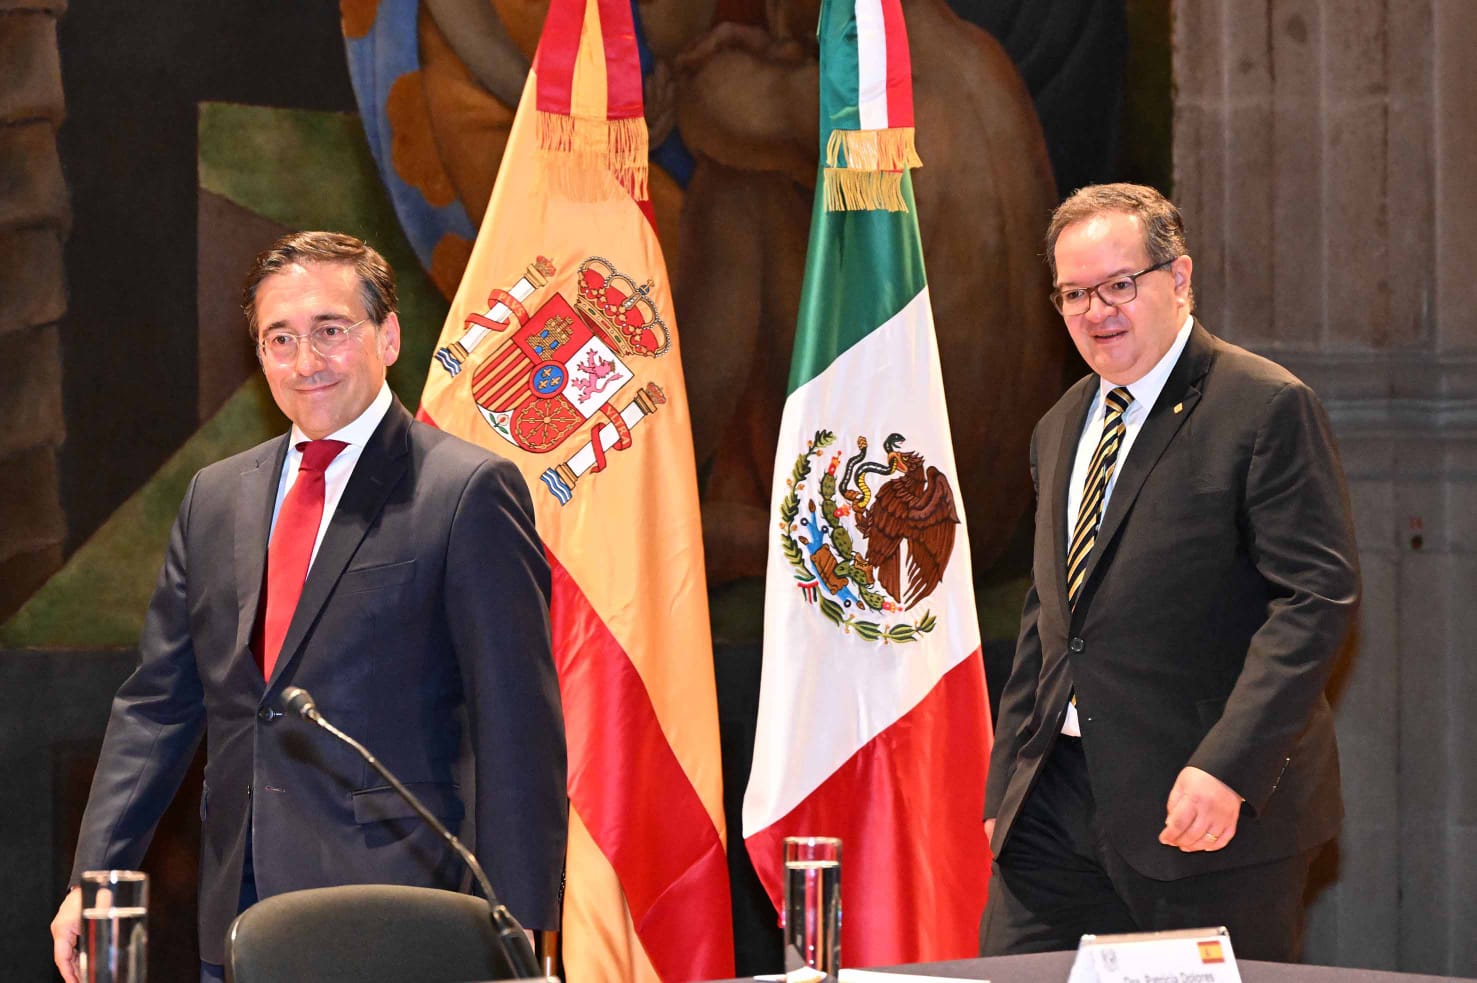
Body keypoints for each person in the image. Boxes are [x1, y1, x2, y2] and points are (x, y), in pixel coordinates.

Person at [49, 232, 567, 982]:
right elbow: (158, 705)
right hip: (236, 911)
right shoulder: (215, 497)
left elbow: (517, 724)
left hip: (400, 915)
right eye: (280, 338)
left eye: (330, 330)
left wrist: (518, 935)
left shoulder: (466, 492)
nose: (305, 362)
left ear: (388, 337)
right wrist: (93, 880)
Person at [980, 184, 1359, 961]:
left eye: (1119, 284)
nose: (1096, 311)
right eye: (1074, 293)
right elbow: (1048, 618)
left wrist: (1228, 766)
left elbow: (1313, 599)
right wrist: (1005, 783)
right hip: (1052, 806)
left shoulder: (1263, 405)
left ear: (1178, 277)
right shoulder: (1059, 425)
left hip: (1203, 809)